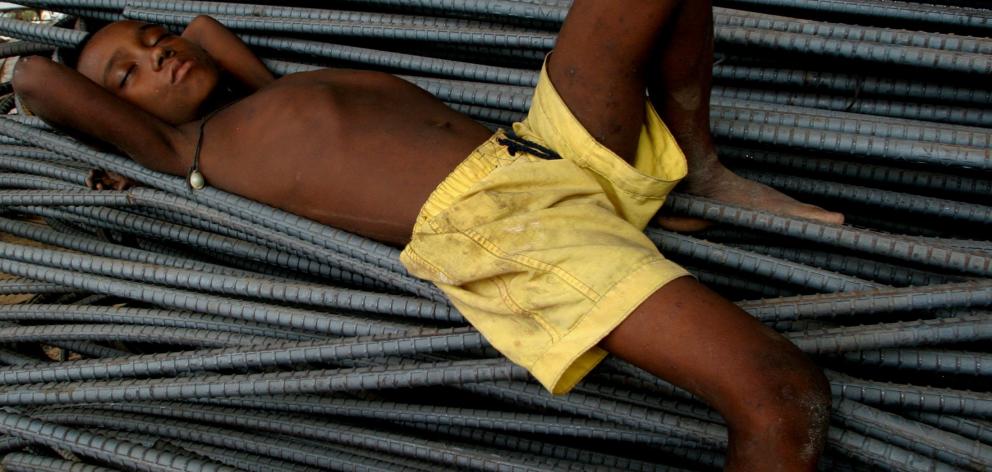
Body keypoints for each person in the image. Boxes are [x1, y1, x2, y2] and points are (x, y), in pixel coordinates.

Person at [14, 1, 834, 469]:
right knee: (775, 393)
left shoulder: (267, 93)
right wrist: (104, 116)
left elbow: (205, 26)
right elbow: (37, 76)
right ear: (119, 123)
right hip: (500, 228)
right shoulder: (184, 153)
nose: (157, 59)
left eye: (155, 42)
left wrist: (180, 45)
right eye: (128, 74)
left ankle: (697, 165)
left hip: (535, 150)